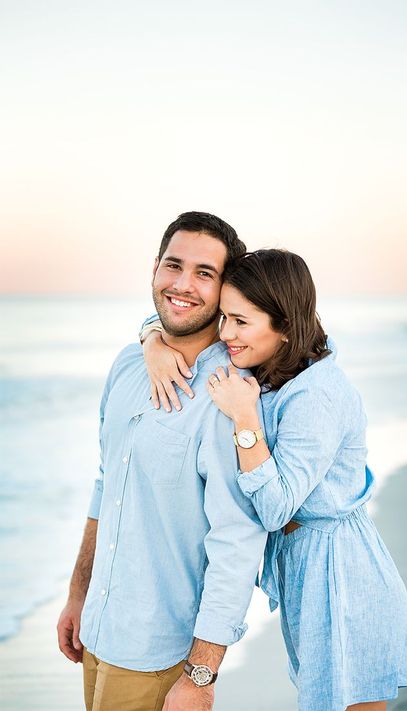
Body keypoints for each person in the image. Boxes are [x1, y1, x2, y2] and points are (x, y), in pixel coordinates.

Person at [141, 249, 407, 711]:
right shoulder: (275, 368)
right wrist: (151, 341)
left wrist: (244, 415)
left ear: (284, 324)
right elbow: (173, 315)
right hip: (309, 568)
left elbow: (274, 507)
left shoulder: (318, 395)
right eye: (224, 316)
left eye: (240, 322)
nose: (225, 332)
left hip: (342, 575)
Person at [56, 212, 267, 711]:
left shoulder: (226, 395)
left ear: (224, 290)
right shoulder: (128, 364)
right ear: (154, 269)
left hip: (159, 652)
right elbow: (108, 484)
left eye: (204, 273)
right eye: (174, 265)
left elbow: (236, 540)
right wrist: (78, 593)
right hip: (99, 629)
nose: (183, 285)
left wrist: (202, 672)